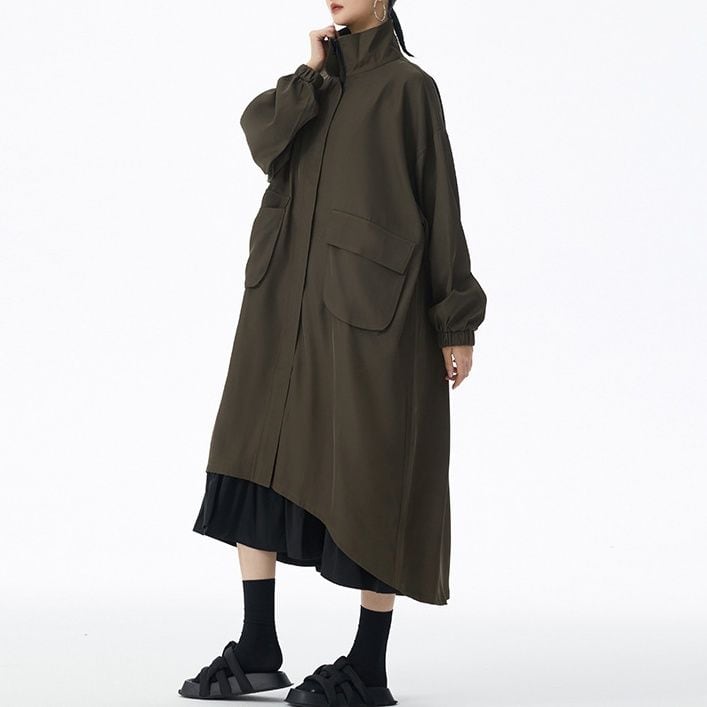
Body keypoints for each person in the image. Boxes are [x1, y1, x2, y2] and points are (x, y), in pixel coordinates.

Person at [179, 0, 487, 703]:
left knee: (372, 470)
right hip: (279, 300)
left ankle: (367, 666)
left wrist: (455, 321)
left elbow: (439, 201)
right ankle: (258, 645)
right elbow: (261, 139)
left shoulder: (409, 89)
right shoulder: (312, 85)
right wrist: (311, 74)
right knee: (251, 455)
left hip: (370, 309)